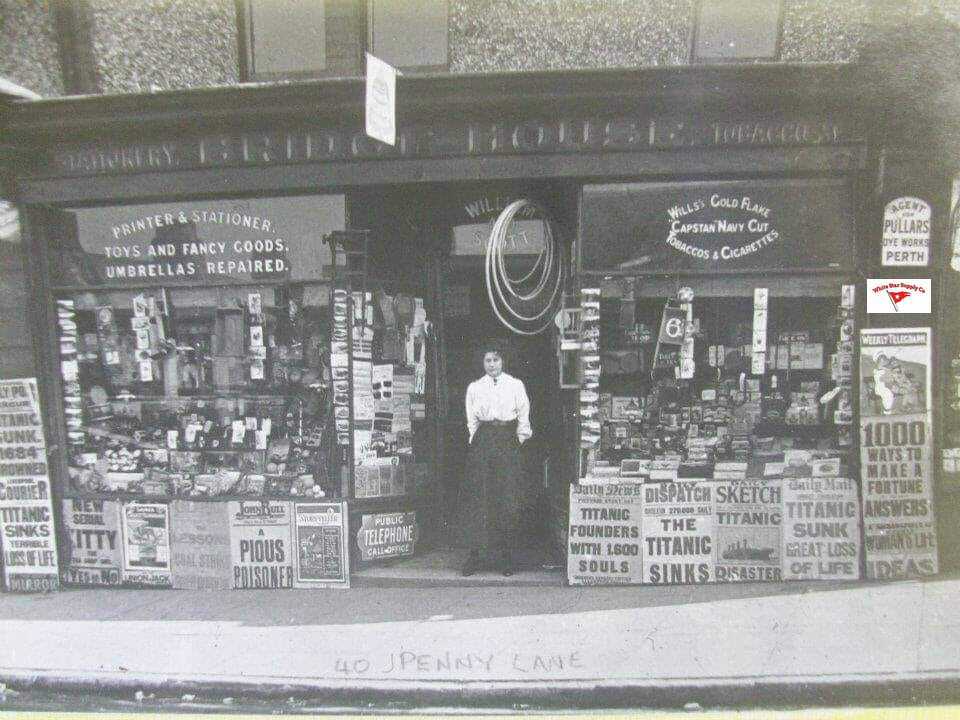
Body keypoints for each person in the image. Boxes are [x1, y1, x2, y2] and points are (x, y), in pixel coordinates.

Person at [460, 340, 532, 577]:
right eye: (488, 360)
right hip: (484, 441)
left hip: (506, 440)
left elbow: (523, 413)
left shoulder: (515, 384)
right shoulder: (475, 387)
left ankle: (507, 557)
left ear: (504, 360)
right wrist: (476, 439)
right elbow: (471, 418)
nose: (492, 364)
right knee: (480, 497)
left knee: (507, 497)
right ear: (482, 363)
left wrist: (517, 440)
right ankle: (476, 556)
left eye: (496, 359)